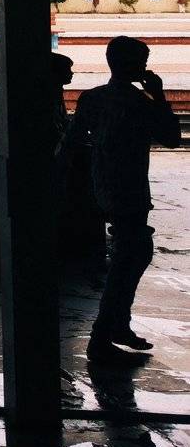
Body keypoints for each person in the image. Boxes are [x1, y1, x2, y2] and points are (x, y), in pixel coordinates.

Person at [64, 36, 182, 363]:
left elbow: (71, 140)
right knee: (129, 258)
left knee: (128, 254)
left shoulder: (93, 98)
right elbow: (172, 138)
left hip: (102, 184)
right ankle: (103, 334)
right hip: (130, 189)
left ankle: (118, 325)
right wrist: (159, 95)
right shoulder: (139, 102)